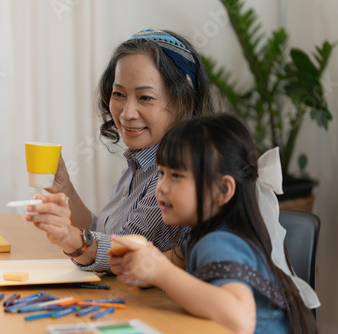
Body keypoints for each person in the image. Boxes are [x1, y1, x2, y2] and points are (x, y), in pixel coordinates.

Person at [108, 114, 320, 333]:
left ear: (222, 190)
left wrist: (159, 272)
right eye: (161, 173)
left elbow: (239, 319)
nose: (161, 188)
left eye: (177, 176)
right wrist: (138, 265)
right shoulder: (211, 236)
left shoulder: (218, 242)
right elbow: (170, 263)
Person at [26, 29, 215, 272]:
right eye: (118, 94)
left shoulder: (175, 176)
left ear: (183, 100)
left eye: (145, 97)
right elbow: (106, 234)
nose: (126, 113)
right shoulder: (140, 163)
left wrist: (69, 238)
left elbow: (123, 254)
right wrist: (65, 189)